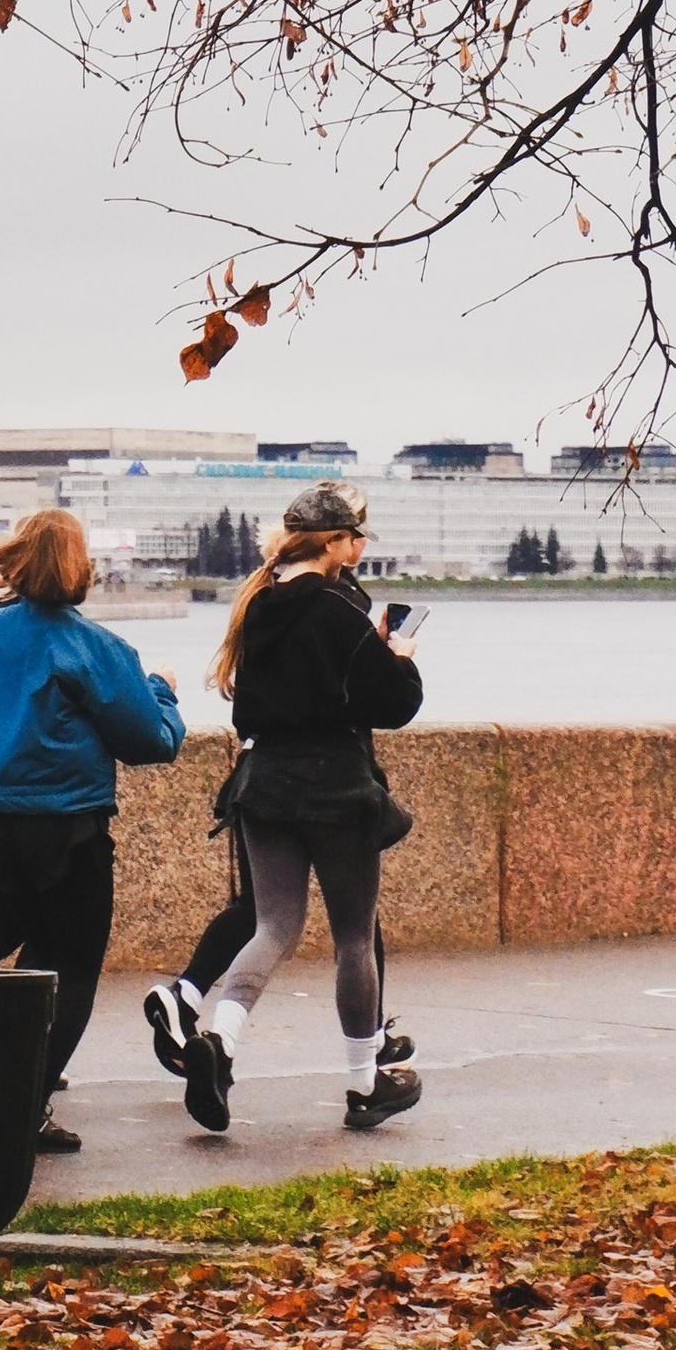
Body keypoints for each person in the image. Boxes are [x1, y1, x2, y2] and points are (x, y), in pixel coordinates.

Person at [0, 508, 184, 1151]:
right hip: (67, 828)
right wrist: (163, 692)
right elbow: (150, 741)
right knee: (73, 967)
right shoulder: (94, 647)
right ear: (78, 564)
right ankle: (24, 1104)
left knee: (22, 934)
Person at [183, 480, 424, 1137]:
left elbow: (250, 705)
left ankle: (220, 1040)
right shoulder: (342, 613)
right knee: (353, 937)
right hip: (336, 787)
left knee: (273, 927)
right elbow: (393, 705)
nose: (358, 549)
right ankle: (365, 1083)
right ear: (336, 543)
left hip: (264, 783)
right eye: (354, 539)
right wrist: (399, 658)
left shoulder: (259, 607)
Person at [144, 836, 411, 1088]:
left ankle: (202, 1015)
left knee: (264, 915)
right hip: (336, 808)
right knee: (356, 923)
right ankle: (370, 1058)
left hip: (263, 805)